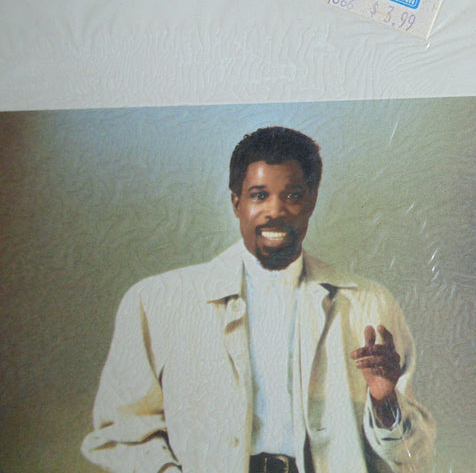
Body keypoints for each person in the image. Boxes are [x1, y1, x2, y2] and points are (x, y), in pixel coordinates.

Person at [82, 126, 435, 473]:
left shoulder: (368, 304)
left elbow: (416, 455)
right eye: (259, 195)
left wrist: (384, 402)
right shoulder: (158, 302)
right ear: (236, 202)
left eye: (292, 195)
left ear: (312, 200)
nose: (275, 211)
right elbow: (120, 436)